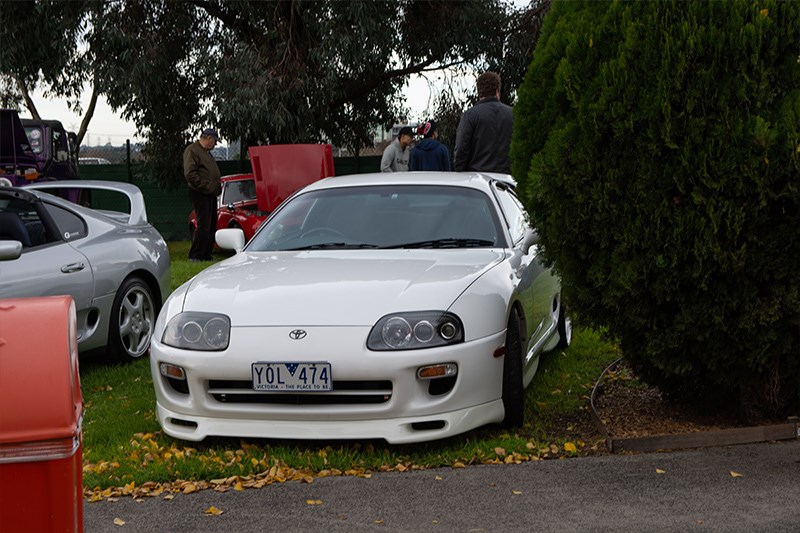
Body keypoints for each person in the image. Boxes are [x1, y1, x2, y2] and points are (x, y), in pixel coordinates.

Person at [453, 71, 514, 174]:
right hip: (508, 179)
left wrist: (461, 172)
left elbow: (461, 150)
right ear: (497, 91)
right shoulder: (513, 114)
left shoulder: (470, 115)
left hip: (478, 179)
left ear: (479, 92)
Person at [184, 128, 221, 262]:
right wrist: (205, 186)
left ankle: (206, 254)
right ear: (209, 138)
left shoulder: (206, 153)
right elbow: (190, 174)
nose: (215, 145)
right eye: (215, 141)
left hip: (210, 193)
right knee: (204, 224)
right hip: (200, 193)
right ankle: (195, 255)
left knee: (211, 224)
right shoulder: (193, 150)